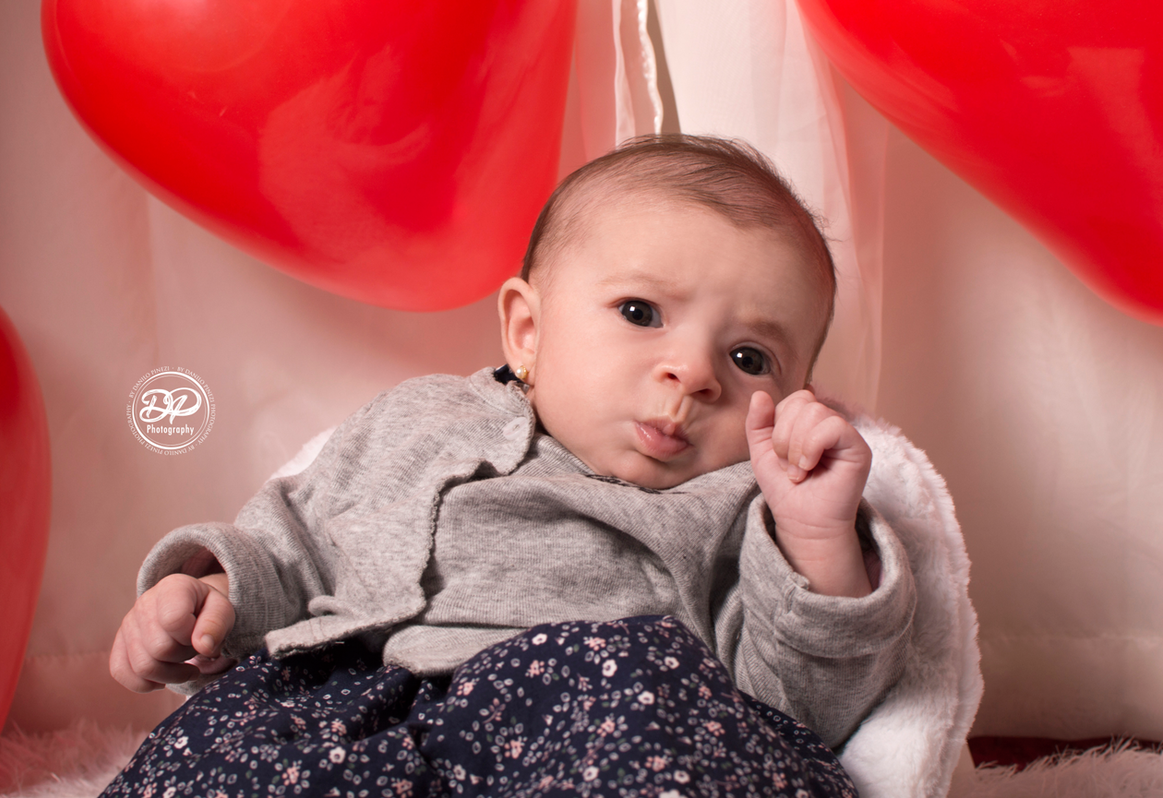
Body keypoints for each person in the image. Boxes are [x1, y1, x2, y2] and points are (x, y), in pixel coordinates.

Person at [104, 135, 915, 798]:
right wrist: (210, 596)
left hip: (586, 719)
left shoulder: (743, 502)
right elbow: (297, 543)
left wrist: (817, 542)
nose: (694, 373)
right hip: (360, 704)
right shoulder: (422, 418)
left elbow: (798, 706)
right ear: (527, 330)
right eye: (641, 313)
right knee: (237, 748)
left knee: (649, 705)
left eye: (749, 357)